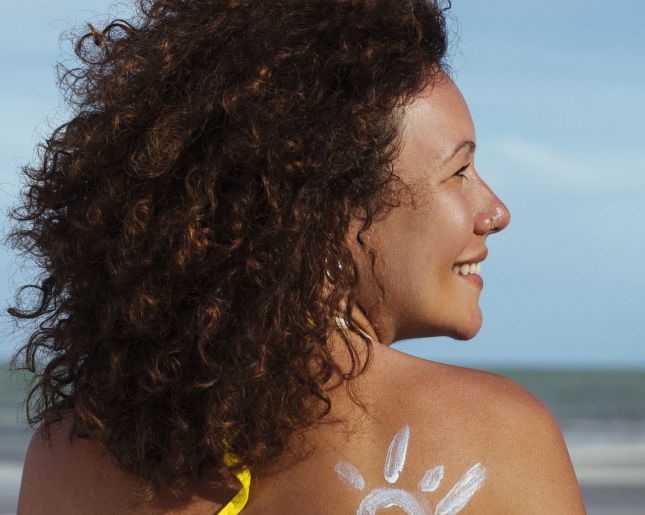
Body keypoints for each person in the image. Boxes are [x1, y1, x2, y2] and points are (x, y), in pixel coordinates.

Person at [10, 0, 586, 513]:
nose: (496, 210)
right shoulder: (496, 435)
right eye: (458, 172)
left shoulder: (69, 454)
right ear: (327, 209)